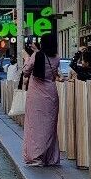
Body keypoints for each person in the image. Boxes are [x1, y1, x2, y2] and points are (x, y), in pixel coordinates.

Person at [21, 33, 61, 167]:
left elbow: (26, 71)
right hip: (51, 93)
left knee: (34, 126)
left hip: (36, 94)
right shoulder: (56, 58)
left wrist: (27, 57)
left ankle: (36, 157)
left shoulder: (36, 56)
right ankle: (51, 158)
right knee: (50, 126)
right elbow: (55, 75)